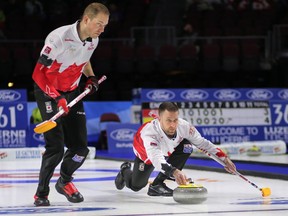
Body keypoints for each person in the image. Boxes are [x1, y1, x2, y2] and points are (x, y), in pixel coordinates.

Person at [32, 3, 109, 206]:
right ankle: (41, 193)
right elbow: (37, 74)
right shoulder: (58, 38)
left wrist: (91, 78)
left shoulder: (94, 40)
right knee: (56, 148)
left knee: (80, 150)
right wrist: (57, 98)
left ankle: (64, 181)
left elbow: (84, 60)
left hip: (72, 92)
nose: (102, 29)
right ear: (86, 20)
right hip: (48, 92)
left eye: (105, 25)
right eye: (99, 24)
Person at [115, 102, 236, 196]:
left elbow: (203, 144)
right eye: (168, 120)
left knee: (187, 146)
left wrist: (224, 159)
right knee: (136, 186)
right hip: (146, 155)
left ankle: (157, 185)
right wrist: (174, 171)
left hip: (166, 150)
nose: (173, 125)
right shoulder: (150, 134)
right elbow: (156, 160)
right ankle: (124, 170)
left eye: (175, 120)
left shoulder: (184, 126)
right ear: (159, 119)